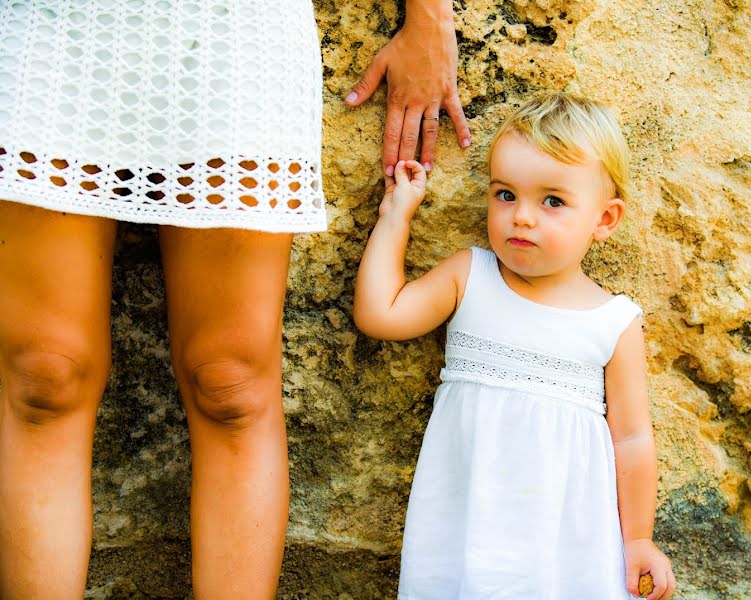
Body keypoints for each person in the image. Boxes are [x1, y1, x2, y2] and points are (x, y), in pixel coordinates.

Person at [0, 0, 468, 597]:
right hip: (50, 34)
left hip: (235, 37)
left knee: (231, 385)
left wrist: (430, 17)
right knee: (46, 379)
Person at [353, 91, 676, 599]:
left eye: (553, 201)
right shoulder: (471, 277)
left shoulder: (614, 321)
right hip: (466, 524)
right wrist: (397, 215)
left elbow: (632, 439)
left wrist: (638, 538)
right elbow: (381, 313)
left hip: (563, 539)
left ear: (605, 219)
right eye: (506, 194)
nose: (522, 216)